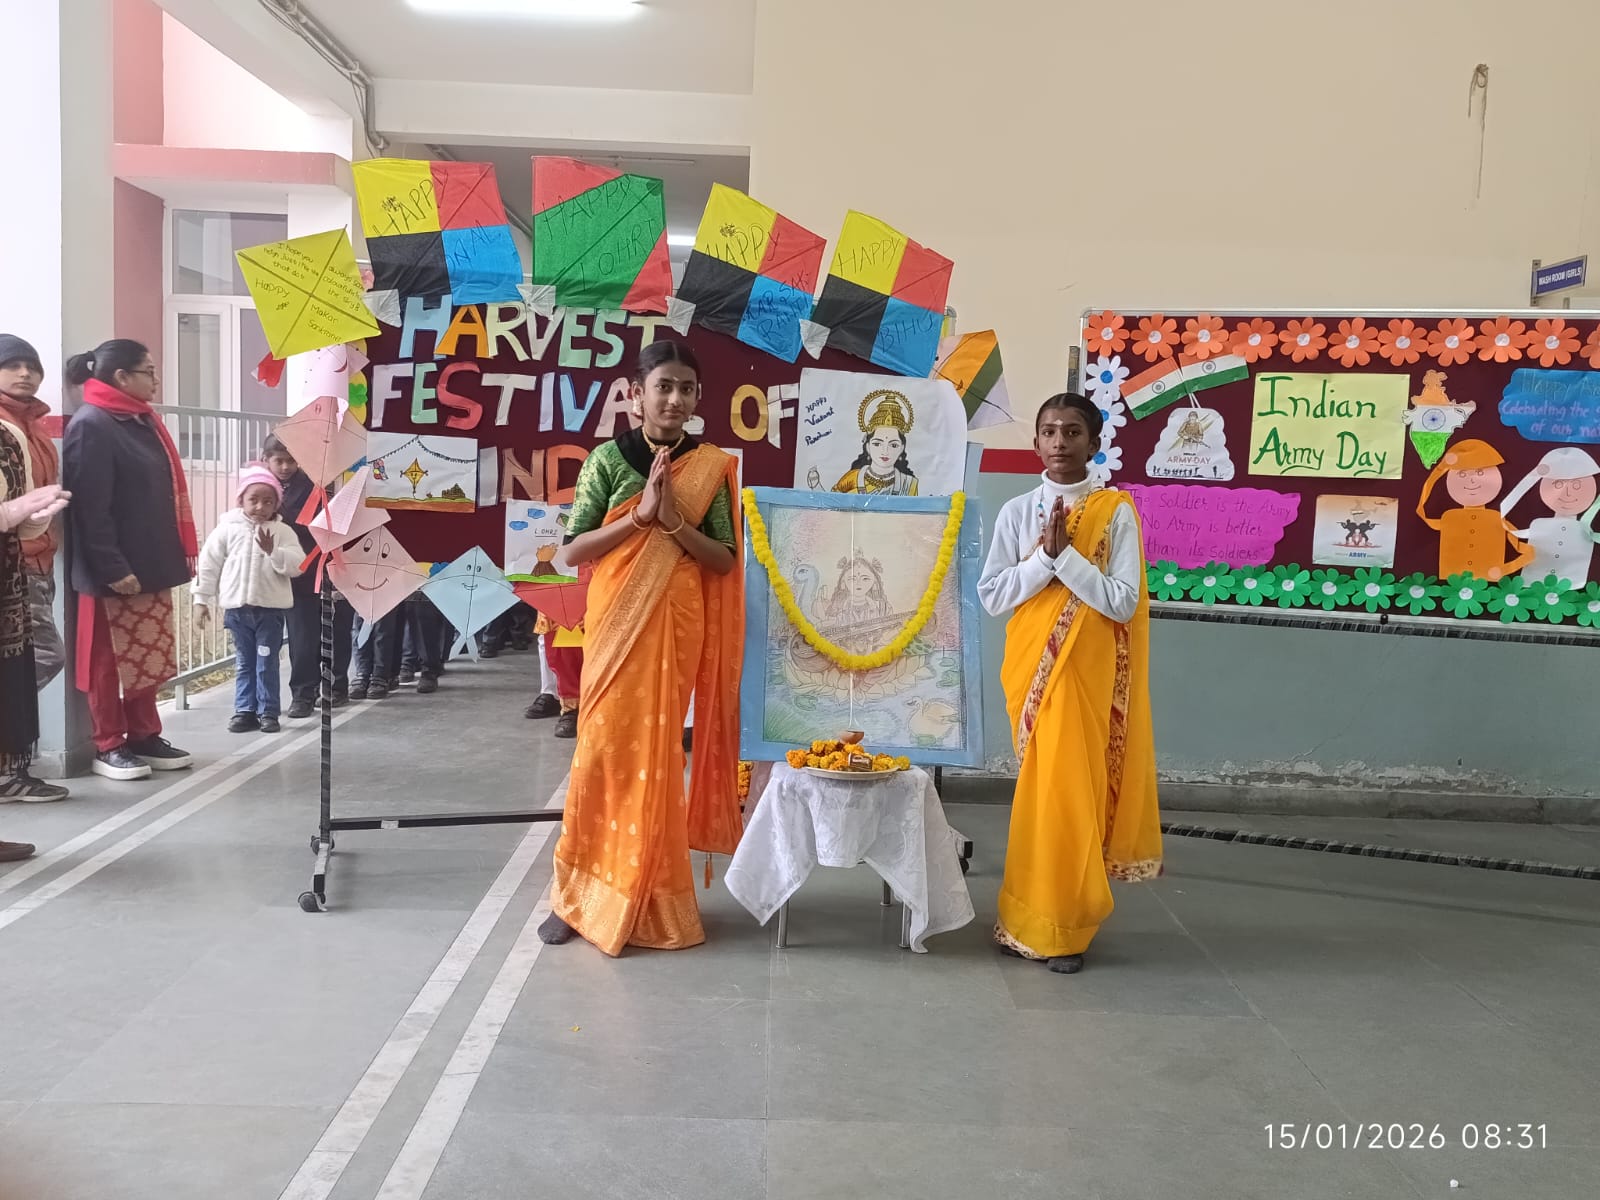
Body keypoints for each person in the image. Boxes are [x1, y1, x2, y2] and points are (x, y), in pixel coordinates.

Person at [538, 340, 744, 955]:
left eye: (687, 388)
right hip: (615, 622)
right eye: (664, 387)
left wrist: (675, 520)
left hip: (676, 621)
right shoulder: (607, 460)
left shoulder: (711, 466)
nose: (675, 399)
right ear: (636, 395)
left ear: (698, 398)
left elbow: (724, 560)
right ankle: (575, 896)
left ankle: (651, 892)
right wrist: (640, 515)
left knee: (657, 756)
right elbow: (572, 551)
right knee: (599, 754)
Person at [977, 392, 1162, 974]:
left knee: (1073, 797)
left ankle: (1065, 928)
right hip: (1033, 671)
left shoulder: (1117, 512)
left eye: (1073, 431)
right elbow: (993, 595)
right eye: (1050, 431)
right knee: (1042, 798)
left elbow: (1123, 601)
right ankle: (1025, 920)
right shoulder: (1016, 512)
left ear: (1093, 442)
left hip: (1088, 674)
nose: (1060, 441)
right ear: (1036, 442)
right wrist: (1043, 560)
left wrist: (1065, 559)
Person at [61, 339, 195, 781]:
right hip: (114, 570)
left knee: (148, 655)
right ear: (121, 377)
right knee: (107, 660)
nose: (156, 380)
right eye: (148, 371)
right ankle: (109, 743)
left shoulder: (141, 420)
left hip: (151, 562)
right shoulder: (92, 424)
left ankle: (144, 734)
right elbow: (89, 507)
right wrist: (113, 568)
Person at [0, 335, 70, 802]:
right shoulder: (6, 427)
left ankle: (12, 767)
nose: (25, 373)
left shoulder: (35, 427)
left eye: (33, 366)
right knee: (39, 658)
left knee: (23, 664)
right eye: (13, 365)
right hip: (13, 565)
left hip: (35, 556)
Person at [193, 463, 303, 733]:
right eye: (253, 500)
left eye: (268, 501)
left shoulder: (283, 532)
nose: (260, 507)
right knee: (244, 663)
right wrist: (201, 599)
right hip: (238, 612)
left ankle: (268, 712)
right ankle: (244, 710)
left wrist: (274, 551)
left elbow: (298, 565)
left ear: (276, 504)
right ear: (241, 499)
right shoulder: (227, 529)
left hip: (269, 613)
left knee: (266, 662)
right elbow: (208, 564)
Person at [262, 435, 353, 716]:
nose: (285, 467)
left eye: (291, 461)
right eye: (279, 461)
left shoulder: (317, 485)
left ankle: (332, 686)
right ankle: (302, 693)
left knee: (328, 630)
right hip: (281, 573)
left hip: (317, 567)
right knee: (300, 636)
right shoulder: (260, 488)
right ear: (266, 460)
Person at [1, 480, 71, 830]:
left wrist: (30, 519)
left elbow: (22, 523)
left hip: (15, 572)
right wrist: (9, 513)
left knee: (15, 674)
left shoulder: (17, 449)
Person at [1415, 439, 1533, 581]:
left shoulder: (1496, 518)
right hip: (1454, 582)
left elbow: (1526, 551)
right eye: (1462, 474)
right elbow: (1527, 551)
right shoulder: (1450, 517)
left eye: (1480, 473)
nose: (1472, 480)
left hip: (1483, 583)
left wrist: (1505, 569)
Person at [1499, 446, 1600, 586]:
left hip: (1572, 587)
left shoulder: (1584, 529)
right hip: (1534, 586)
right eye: (1558, 485)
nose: (1568, 493)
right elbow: (1515, 534)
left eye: (1577, 485)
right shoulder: (1540, 525)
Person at [832, 389, 918, 495]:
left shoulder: (909, 485)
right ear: (867, 446)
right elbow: (830, 502)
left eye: (893, 445)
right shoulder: (853, 478)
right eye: (877, 444)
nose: (885, 451)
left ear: (901, 448)